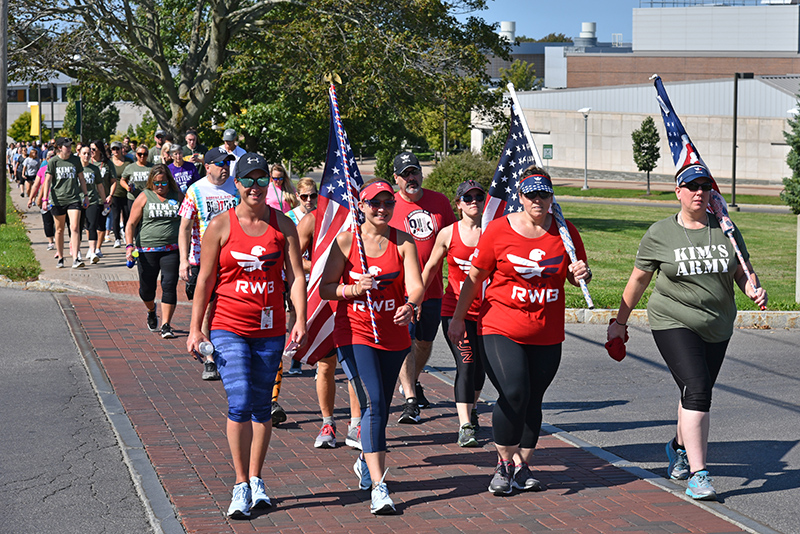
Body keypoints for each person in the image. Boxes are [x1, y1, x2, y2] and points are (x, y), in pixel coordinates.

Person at [607, 164, 767, 501]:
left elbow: (741, 270)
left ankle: (677, 447)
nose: (698, 192)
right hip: (673, 320)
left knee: (693, 390)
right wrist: (619, 322)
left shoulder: (725, 228)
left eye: (704, 186)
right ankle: (699, 474)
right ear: (678, 191)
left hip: (718, 324)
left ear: (711, 192)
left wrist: (751, 287)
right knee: (697, 388)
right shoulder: (660, 233)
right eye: (691, 186)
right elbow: (638, 280)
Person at [448, 166, 592, 495]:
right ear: (521, 197)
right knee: (514, 392)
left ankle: (522, 465)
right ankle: (502, 465)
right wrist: (457, 318)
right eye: (531, 194)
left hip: (546, 330)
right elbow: (475, 278)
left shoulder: (565, 232)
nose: (538, 200)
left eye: (544, 193)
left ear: (551, 196)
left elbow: (575, 274)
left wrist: (582, 272)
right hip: (500, 325)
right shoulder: (499, 230)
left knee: (533, 399)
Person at [186, 152, 306, 519]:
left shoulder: (282, 225)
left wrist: (299, 318)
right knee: (238, 401)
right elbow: (204, 280)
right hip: (228, 327)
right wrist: (195, 327)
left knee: (260, 405)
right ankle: (240, 484)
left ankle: (257, 478)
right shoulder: (220, 226)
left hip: (270, 329)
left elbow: (297, 276)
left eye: (261, 179)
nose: (255, 187)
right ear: (235, 184)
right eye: (248, 180)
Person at [320, 178, 424, 515]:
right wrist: (352, 289)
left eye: (387, 203)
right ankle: (380, 487)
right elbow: (326, 288)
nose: (381, 209)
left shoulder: (403, 241)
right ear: (361, 206)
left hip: (393, 336)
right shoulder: (347, 241)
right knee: (376, 402)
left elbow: (417, 285)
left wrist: (409, 305)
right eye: (374, 203)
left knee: (377, 406)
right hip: (355, 333)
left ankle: (366, 462)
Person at [389, 151, 456, 424]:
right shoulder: (388, 204)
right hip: (399, 290)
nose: (411, 178)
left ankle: (412, 382)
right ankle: (410, 400)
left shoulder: (439, 202)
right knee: (404, 342)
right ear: (396, 179)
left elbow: (455, 239)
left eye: (414, 172)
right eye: (405, 175)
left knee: (424, 342)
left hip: (432, 290)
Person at [420, 180, 487, 447]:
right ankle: (465, 425)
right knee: (467, 364)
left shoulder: (493, 232)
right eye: (467, 198)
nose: (473, 201)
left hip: (488, 313)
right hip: (455, 310)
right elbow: (430, 269)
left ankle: (471, 409)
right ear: (457, 204)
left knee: (482, 369)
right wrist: (415, 300)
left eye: (478, 197)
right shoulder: (448, 234)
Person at [178, 147, 240, 381]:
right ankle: (209, 358)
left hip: (234, 257)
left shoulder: (236, 187)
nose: (224, 168)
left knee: (227, 306)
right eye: (220, 164)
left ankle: (230, 348)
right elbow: (184, 227)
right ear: (207, 166)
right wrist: (184, 261)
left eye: (227, 164)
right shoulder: (196, 190)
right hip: (204, 260)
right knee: (205, 307)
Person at [125, 164, 184, 338]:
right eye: (157, 183)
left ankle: (166, 325)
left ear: (169, 182)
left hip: (171, 249)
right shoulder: (144, 197)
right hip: (146, 250)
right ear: (151, 182)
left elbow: (188, 219)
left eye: (164, 183)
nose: (160, 187)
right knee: (146, 290)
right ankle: (151, 310)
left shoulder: (177, 195)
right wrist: (129, 246)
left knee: (169, 285)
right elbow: (130, 224)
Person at [285, 177, 316, 376]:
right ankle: (295, 356)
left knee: (317, 315)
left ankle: (320, 361)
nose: (308, 200)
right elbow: (287, 255)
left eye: (313, 196)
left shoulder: (322, 216)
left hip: (316, 277)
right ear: (297, 196)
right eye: (304, 196)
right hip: (297, 275)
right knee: (296, 315)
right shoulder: (289, 218)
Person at [43, 137, 90, 269]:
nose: (69, 149)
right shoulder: (53, 162)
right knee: (59, 229)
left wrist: (85, 196)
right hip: (58, 199)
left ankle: (76, 258)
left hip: (74, 198)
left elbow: (82, 179)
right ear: (59, 148)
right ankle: (61, 257)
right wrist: (45, 199)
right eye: (66, 146)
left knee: (74, 227)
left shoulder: (75, 160)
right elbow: (47, 181)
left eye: (70, 146)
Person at [77, 145, 106, 265]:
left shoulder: (94, 169)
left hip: (92, 200)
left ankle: (93, 252)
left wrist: (104, 201)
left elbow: (99, 185)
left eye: (89, 154)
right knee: (77, 227)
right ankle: (77, 252)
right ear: (79, 154)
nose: (86, 156)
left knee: (92, 225)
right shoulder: (75, 168)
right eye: (84, 153)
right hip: (77, 201)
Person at [90, 139, 116, 257]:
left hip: (103, 199)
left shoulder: (107, 163)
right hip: (89, 199)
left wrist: (110, 195)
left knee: (101, 224)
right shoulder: (86, 162)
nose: (91, 152)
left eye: (93, 149)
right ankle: (92, 247)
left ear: (99, 150)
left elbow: (113, 181)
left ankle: (97, 248)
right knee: (90, 225)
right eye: (90, 149)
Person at [120, 145, 154, 213]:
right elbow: (122, 180)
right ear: (136, 154)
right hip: (133, 198)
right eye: (140, 154)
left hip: (148, 198)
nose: (142, 156)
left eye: (145, 154)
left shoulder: (153, 167)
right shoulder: (130, 167)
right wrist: (127, 187)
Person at [110, 141, 131, 248]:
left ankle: (127, 236)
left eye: (117, 149)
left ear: (121, 149)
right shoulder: (109, 162)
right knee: (116, 216)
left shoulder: (128, 162)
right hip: (115, 193)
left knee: (127, 216)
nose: (115, 151)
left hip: (127, 193)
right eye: (113, 149)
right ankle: (117, 238)